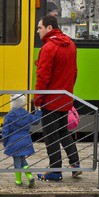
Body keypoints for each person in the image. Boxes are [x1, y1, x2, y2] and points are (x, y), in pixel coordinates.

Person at [34, 14, 80, 182]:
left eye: (40, 27)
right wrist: (68, 93)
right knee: (63, 132)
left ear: (49, 28)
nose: (38, 31)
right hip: (65, 98)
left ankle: (55, 171)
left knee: (51, 136)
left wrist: (37, 100)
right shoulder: (71, 45)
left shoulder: (48, 48)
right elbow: (74, 73)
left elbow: (42, 77)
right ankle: (75, 164)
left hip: (50, 100)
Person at [1, 94, 41, 189]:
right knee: (22, 160)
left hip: (14, 142)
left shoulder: (9, 116)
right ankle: (29, 176)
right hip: (26, 141)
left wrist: (5, 142)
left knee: (17, 162)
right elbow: (36, 121)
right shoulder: (26, 114)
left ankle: (18, 181)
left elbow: (5, 131)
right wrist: (38, 111)